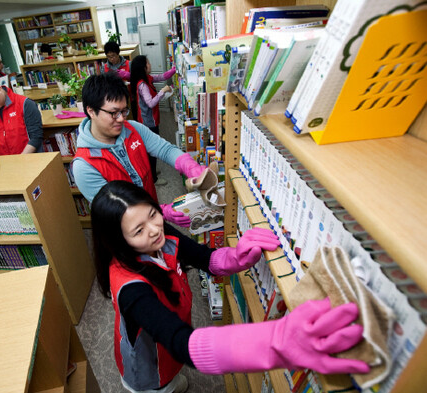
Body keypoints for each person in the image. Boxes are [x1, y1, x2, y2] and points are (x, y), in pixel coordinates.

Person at [91, 180, 370, 393]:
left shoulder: (158, 234)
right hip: (148, 366)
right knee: (159, 384)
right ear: (119, 242)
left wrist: (236, 257)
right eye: (138, 230)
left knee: (174, 377)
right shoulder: (131, 290)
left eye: (153, 214)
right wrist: (273, 341)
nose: (153, 229)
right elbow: (180, 341)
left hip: (171, 346)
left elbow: (202, 257)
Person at [72, 73, 209, 228]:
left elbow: (165, 149)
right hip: (126, 233)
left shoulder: (132, 128)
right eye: (113, 113)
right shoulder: (84, 165)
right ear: (91, 111)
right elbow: (117, 211)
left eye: (124, 111)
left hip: (153, 216)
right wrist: (161, 211)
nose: (121, 119)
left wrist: (189, 166)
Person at [130, 55, 176, 186]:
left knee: (150, 148)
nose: (150, 65)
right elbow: (150, 103)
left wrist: (174, 69)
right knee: (152, 148)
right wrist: (162, 91)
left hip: (150, 120)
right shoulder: (142, 85)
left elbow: (162, 77)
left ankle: (152, 172)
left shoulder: (147, 79)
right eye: (148, 63)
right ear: (143, 68)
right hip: (148, 122)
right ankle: (153, 178)